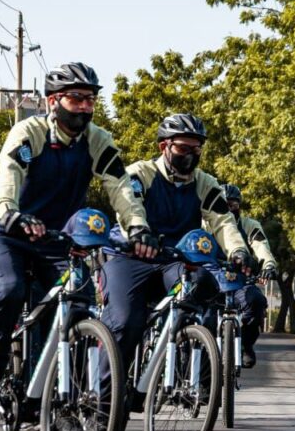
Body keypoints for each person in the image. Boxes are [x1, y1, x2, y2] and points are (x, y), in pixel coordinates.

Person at [0, 62, 157, 418]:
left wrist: (137, 227)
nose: (85, 107)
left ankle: (63, 406)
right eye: (77, 98)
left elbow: (120, 187)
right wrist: (10, 211)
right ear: (53, 101)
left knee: (79, 307)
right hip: (11, 235)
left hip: (58, 242)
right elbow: (9, 173)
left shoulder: (97, 140)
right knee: (9, 290)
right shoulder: (29, 132)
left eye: (91, 100)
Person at [100, 113, 252, 371]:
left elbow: (223, 221)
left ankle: (181, 351)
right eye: (183, 148)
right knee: (125, 322)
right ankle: (105, 393)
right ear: (164, 146)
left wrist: (238, 250)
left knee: (204, 282)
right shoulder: (140, 173)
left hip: (173, 261)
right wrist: (139, 231)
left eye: (196, 149)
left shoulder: (206, 183)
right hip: (131, 257)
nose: (190, 155)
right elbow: (130, 204)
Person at [220, 183, 278, 368]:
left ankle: (245, 344)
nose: (229, 208)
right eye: (224, 204)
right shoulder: (206, 223)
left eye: (233, 204)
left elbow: (261, 246)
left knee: (257, 301)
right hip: (212, 279)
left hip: (240, 281)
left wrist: (268, 265)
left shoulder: (249, 225)